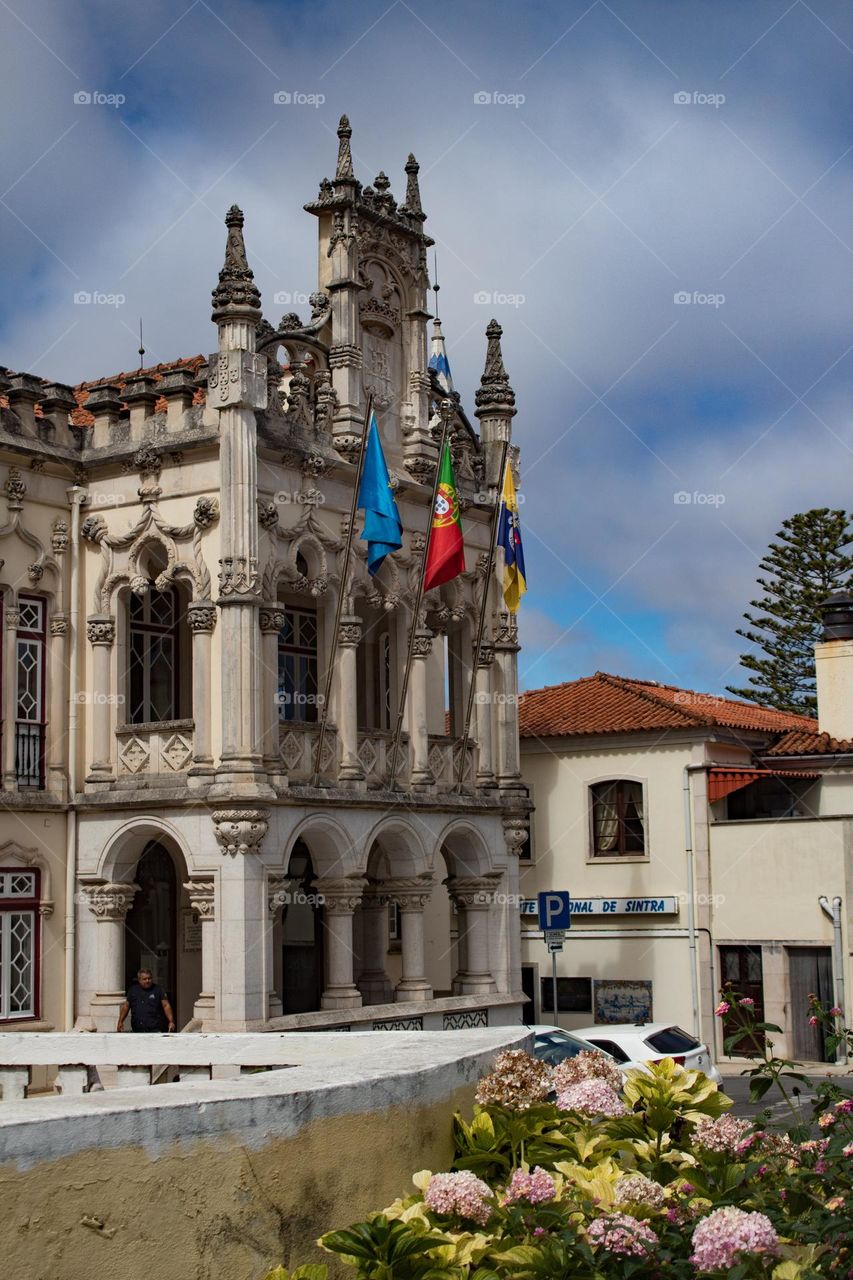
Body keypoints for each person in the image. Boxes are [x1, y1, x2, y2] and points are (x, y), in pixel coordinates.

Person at [117, 968, 175, 1033]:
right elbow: (126, 1006)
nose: (147, 981)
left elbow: (166, 1005)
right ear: (139, 980)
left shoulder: (158, 990)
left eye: (149, 978)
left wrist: (171, 1021)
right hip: (137, 1031)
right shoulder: (133, 990)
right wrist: (120, 1021)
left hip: (155, 1030)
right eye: (144, 979)